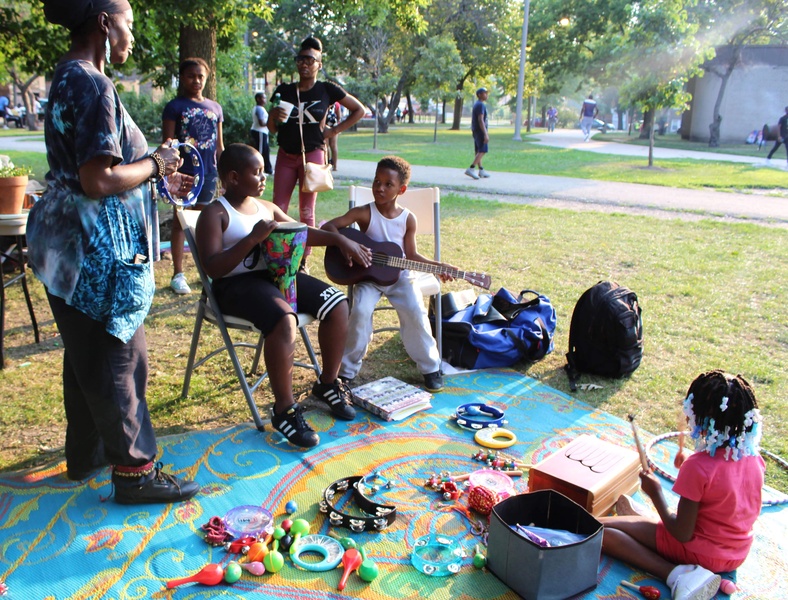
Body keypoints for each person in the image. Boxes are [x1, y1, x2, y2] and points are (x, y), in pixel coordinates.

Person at [27, 0, 199, 504]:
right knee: (121, 359)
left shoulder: (66, 76)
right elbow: (97, 178)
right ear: (104, 22)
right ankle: (135, 472)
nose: (130, 36)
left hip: (65, 249)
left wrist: (156, 176)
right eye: (127, 23)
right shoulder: (94, 84)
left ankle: (85, 457)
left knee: (86, 356)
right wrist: (156, 160)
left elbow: (95, 171)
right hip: (95, 256)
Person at [195, 144, 373, 448]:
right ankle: (284, 409)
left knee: (337, 304)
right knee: (283, 319)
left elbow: (300, 231)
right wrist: (253, 239)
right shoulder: (215, 213)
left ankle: (328, 383)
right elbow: (213, 267)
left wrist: (338, 240)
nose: (264, 177)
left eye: (264, 170)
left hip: (275, 278)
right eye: (257, 172)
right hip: (233, 286)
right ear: (234, 177)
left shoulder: (265, 206)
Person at [601, 370, 765, 600]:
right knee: (638, 523)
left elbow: (681, 533)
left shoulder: (698, 467)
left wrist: (656, 493)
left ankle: (678, 574)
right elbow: (726, 489)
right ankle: (717, 575)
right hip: (736, 554)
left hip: (699, 551)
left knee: (601, 531)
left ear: (697, 414)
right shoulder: (755, 459)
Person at [322, 156, 453, 392]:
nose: (379, 188)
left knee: (415, 311)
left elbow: (411, 255)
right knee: (359, 311)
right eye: (377, 181)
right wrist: (346, 244)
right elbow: (328, 227)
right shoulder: (363, 213)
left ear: (401, 190)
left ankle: (431, 367)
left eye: (388, 184)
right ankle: (347, 371)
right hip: (368, 277)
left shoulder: (407, 218)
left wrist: (438, 266)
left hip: (400, 277)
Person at [267, 36, 365, 267]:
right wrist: (272, 117)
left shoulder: (327, 89)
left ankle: (302, 259)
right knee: (278, 207)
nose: (305, 64)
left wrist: (332, 132)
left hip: (312, 156)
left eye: (310, 60)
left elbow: (359, 110)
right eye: (301, 59)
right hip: (286, 155)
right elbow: (272, 129)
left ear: (319, 64)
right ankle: (278, 253)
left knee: (306, 211)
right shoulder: (285, 90)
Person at [162, 57, 225, 295]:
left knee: (203, 221)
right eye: (191, 76)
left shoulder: (215, 108)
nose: (196, 80)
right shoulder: (174, 107)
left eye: (200, 76)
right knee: (181, 222)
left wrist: (223, 171)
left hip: (208, 173)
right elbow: (167, 143)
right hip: (183, 172)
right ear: (182, 78)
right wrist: (171, 172)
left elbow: (219, 144)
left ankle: (206, 271)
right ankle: (178, 273)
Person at [465, 87, 490, 180]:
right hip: (480, 131)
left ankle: (481, 170)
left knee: (478, 150)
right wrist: (485, 133)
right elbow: (480, 119)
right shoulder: (480, 105)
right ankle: (471, 168)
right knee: (483, 150)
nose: (486, 95)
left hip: (476, 130)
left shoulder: (478, 104)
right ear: (479, 95)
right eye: (484, 93)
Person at [250, 91, 273, 175]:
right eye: (263, 98)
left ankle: (268, 169)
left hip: (263, 133)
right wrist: (270, 122)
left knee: (266, 150)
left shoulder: (261, 108)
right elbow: (261, 122)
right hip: (259, 131)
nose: (265, 100)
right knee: (260, 152)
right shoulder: (258, 109)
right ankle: (259, 170)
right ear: (258, 99)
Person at [326, 101, 340, 171]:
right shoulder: (337, 104)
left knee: (326, 146)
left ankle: (327, 165)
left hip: (325, 125)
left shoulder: (324, 101)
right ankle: (335, 167)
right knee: (334, 146)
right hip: (334, 126)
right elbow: (339, 116)